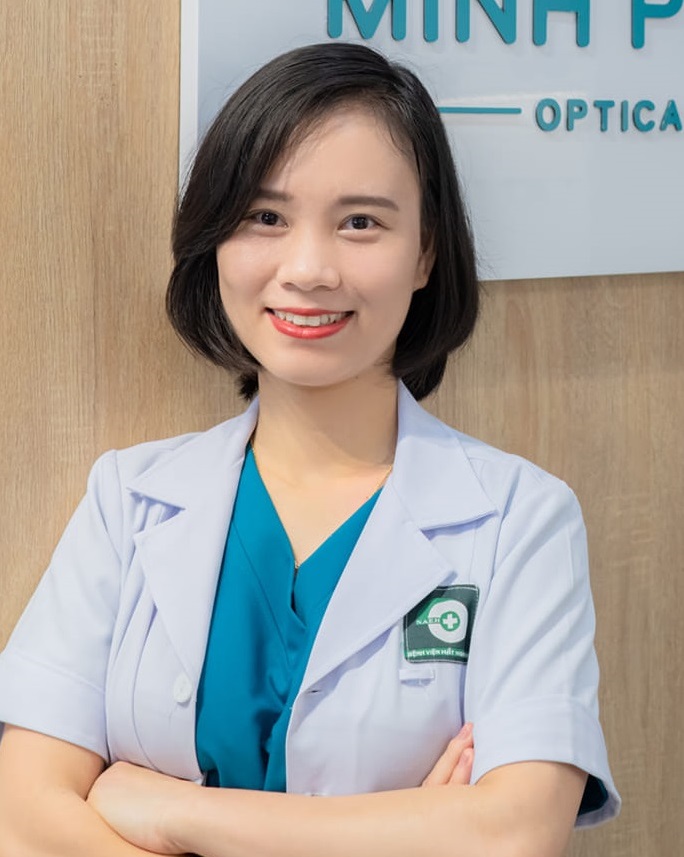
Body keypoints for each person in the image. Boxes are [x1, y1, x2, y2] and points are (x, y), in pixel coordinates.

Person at [0, 42, 619, 856]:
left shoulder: (520, 519)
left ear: (426, 252)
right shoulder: (129, 499)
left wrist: (173, 810)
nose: (308, 269)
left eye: (361, 222)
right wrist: (407, 830)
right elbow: (23, 815)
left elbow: (513, 833)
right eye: (266, 217)